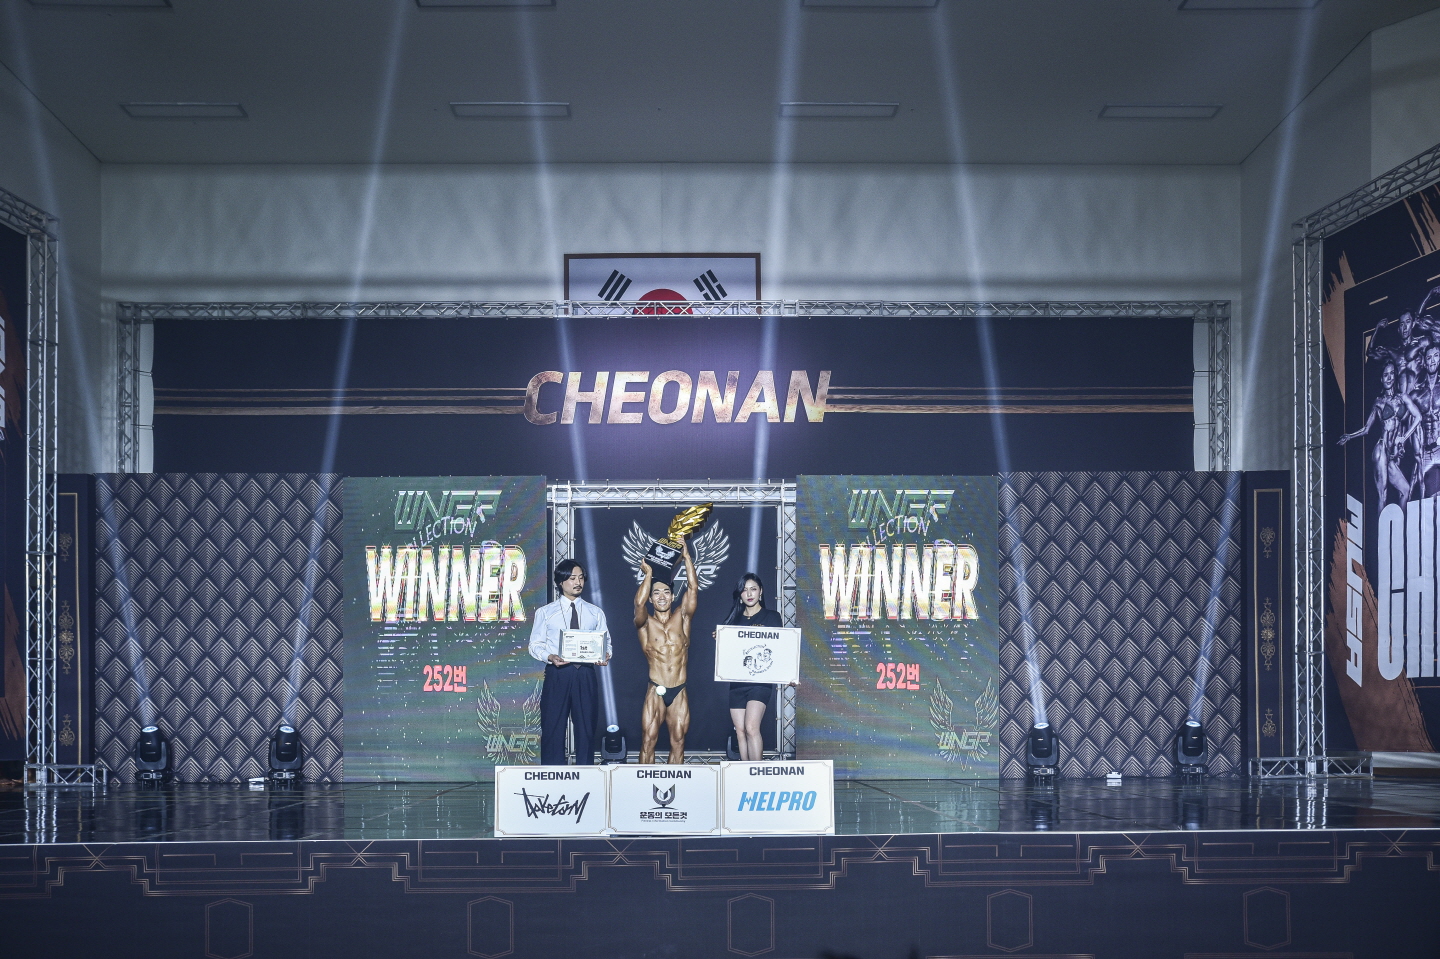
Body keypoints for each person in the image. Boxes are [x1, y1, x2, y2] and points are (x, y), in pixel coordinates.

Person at [528, 559, 610, 765]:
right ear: (560, 581)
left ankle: (585, 774)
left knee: (586, 728)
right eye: (572, 578)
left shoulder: (595, 612)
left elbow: (606, 642)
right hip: (558, 673)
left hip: (585, 673)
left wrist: (606, 654)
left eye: (581, 578)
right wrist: (550, 656)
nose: (578, 582)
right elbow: (535, 645)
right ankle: (552, 774)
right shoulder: (546, 612)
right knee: (552, 727)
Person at [634, 538, 699, 764]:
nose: (661, 596)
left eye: (666, 592)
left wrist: (687, 557)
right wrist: (649, 574)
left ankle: (674, 784)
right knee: (648, 740)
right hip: (656, 688)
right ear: (651, 598)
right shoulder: (645, 624)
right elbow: (638, 604)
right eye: (656, 593)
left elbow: (693, 588)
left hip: (679, 690)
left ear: (672, 596)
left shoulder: (683, 617)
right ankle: (644, 784)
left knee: (678, 741)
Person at [718, 573, 786, 762]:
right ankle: (744, 772)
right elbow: (730, 654)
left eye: (753, 589)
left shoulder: (772, 617)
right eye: (745, 590)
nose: (749, 594)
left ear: (760, 592)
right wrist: (721, 639)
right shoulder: (733, 620)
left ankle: (757, 772)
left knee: (751, 727)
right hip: (737, 683)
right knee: (740, 731)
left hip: (760, 682)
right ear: (740, 594)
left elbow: (782, 648)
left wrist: (788, 673)